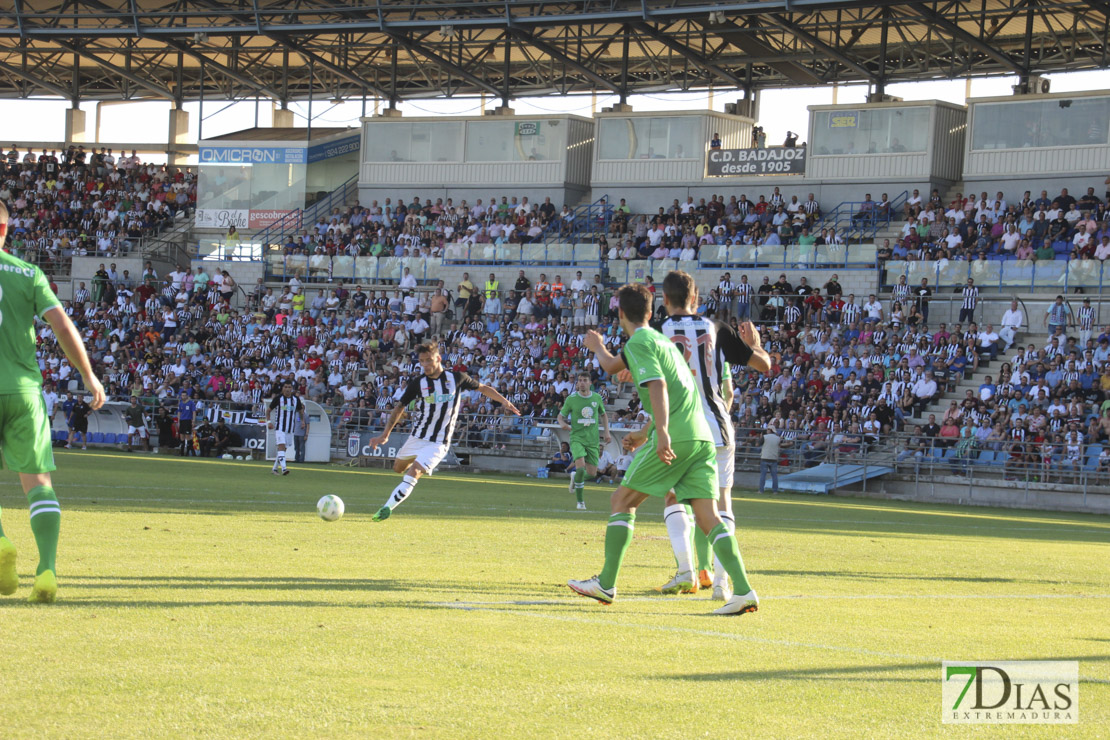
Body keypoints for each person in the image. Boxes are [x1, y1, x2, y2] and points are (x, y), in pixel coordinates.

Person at [567, 283, 759, 616]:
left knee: (621, 500)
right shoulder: (660, 341)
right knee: (709, 516)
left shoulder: (642, 339)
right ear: (652, 308)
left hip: (679, 434)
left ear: (620, 314)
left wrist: (662, 433)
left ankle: (606, 583)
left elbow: (657, 385)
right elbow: (667, 378)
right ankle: (742, 590)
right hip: (702, 435)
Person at [0, 200, 107, 603]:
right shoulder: (28, 273)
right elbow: (62, 325)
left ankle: (1, 544)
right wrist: (88, 374)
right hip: (25, 392)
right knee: (39, 483)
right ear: (5, 230)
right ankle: (46, 570)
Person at [652, 270, 771, 601]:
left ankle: (686, 572)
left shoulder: (658, 333)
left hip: (682, 431)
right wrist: (755, 344)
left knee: (673, 497)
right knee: (722, 503)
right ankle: (722, 582)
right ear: (696, 299)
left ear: (665, 300)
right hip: (717, 427)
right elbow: (764, 365)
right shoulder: (717, 329)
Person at [368, 342, 519, 522]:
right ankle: (419, 463)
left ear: (438, 358)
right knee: (397, 468)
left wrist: (504, 402)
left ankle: (386, 508)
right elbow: (399, 407)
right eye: (421, 361)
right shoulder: (418, 383)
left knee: (414, 472)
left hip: (439, 442)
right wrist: (385, 435)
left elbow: (483, 388)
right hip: (418, 436)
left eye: (428, 360)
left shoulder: (456, 378)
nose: (425, 365)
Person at [558, 373, 612, 510]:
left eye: (585, 380)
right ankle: (580, 502)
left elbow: (603, 415)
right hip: (577, 438)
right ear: (577, 384)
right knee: (580, 466)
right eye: (580, 381)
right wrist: (562, 423)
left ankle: (575, 477)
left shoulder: (596, 397)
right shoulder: (572, 399)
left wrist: (606, 432)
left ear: (590, 383)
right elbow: (560, 416)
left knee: (592, 473)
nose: (582, 383)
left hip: (592, 440)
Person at [267, 381, 305, 475]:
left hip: (290, 429)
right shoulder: (278, 399)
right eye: (285, 387)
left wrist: (302, 421)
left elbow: (301, 411)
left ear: (292, 388)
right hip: (280, 428)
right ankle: (284, 469)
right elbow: (268, 411)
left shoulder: (296, 399)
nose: (287, 389)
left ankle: (274, 469)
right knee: (281, 447)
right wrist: (269, 422)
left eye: (289, 387)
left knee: (283, 450)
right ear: (283, 388)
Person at [759, 427, 783, 494]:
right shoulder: (778, 438)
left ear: (770, 430)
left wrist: (760, 437)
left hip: (765, 457)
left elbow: (758, 444)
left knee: (763, 475)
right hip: (774, 458)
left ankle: (761, 490)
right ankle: (775, 491)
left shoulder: (765, 437)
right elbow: (779, 446)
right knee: (774, 476)